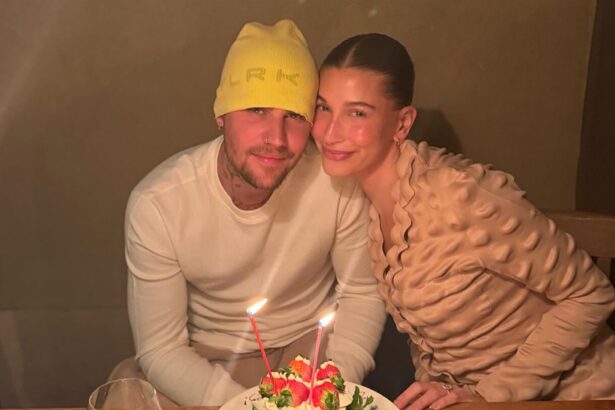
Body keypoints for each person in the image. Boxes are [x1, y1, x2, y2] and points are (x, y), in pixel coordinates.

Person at [311, 33, 615, 409]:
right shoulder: (372, 207)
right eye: (324, 108)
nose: (329, 132)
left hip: (577, 396)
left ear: (402, 123)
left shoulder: (461, 195)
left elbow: (590, 294)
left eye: (357, 113)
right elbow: (431, 340)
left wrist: (489, 394)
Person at [113, 20, 385, 406]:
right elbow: (161, 349)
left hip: (312, 355)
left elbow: (362, 293)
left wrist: (331, 386)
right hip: (209, 361)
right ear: (221, 114)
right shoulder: (158, 205)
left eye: (294, 116)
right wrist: (251, 405)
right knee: (127, 394)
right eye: (257, 109)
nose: (276, 138)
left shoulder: (337, 182)